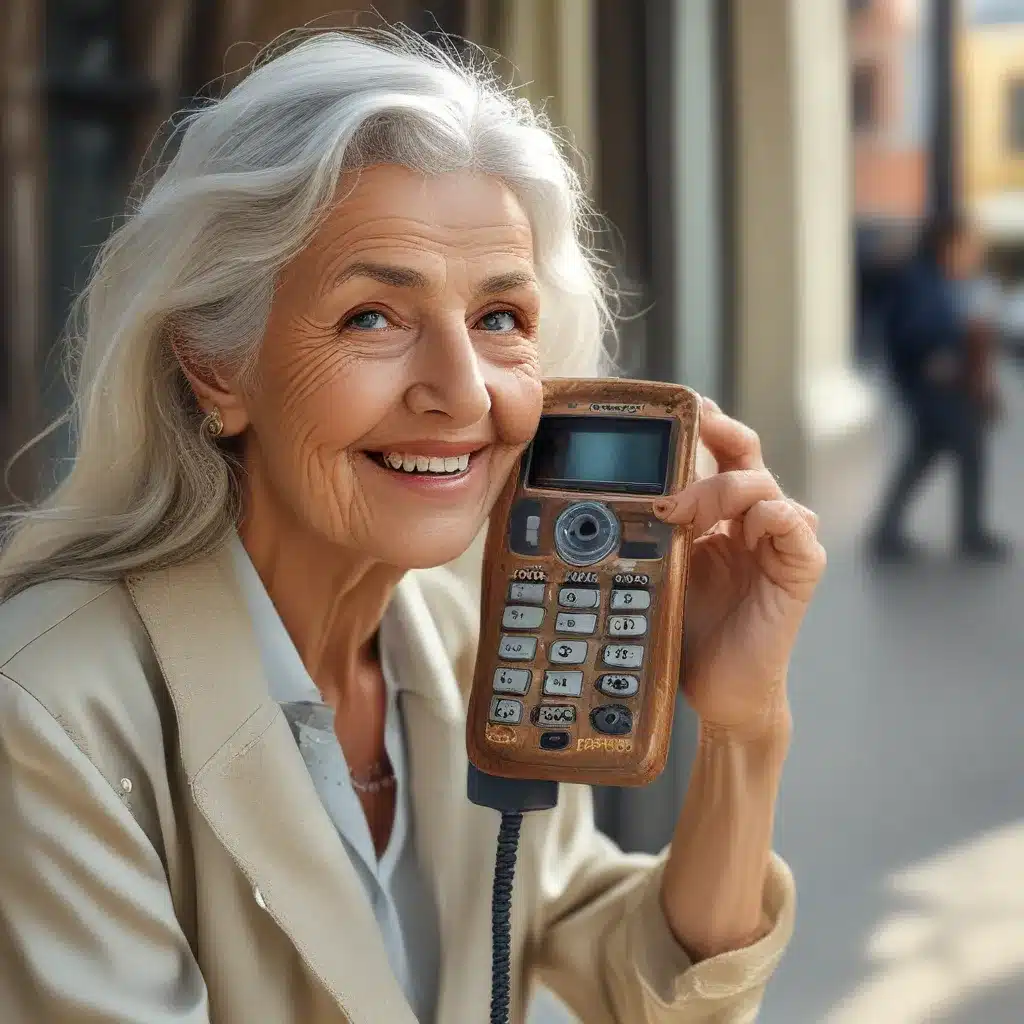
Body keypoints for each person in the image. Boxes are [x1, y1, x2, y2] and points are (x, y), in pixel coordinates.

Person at [0, 30, 826, 1024]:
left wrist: (744, 729)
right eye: (371, 318)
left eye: (499, 318)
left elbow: (631, 981)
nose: (460, 390)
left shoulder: (463, 635)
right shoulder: (46, 713)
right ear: (217, 369)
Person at [870, 213, 1010, 562]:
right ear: (948, 245)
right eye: (968, 247)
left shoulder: (937, 280)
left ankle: (887, 530)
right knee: (967, 447)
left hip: (934, 388)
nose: (974, 255)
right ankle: (970, 533)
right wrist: (940, 354)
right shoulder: (922, 282)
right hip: (930, 389)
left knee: (926, 453)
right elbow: (915, 333)